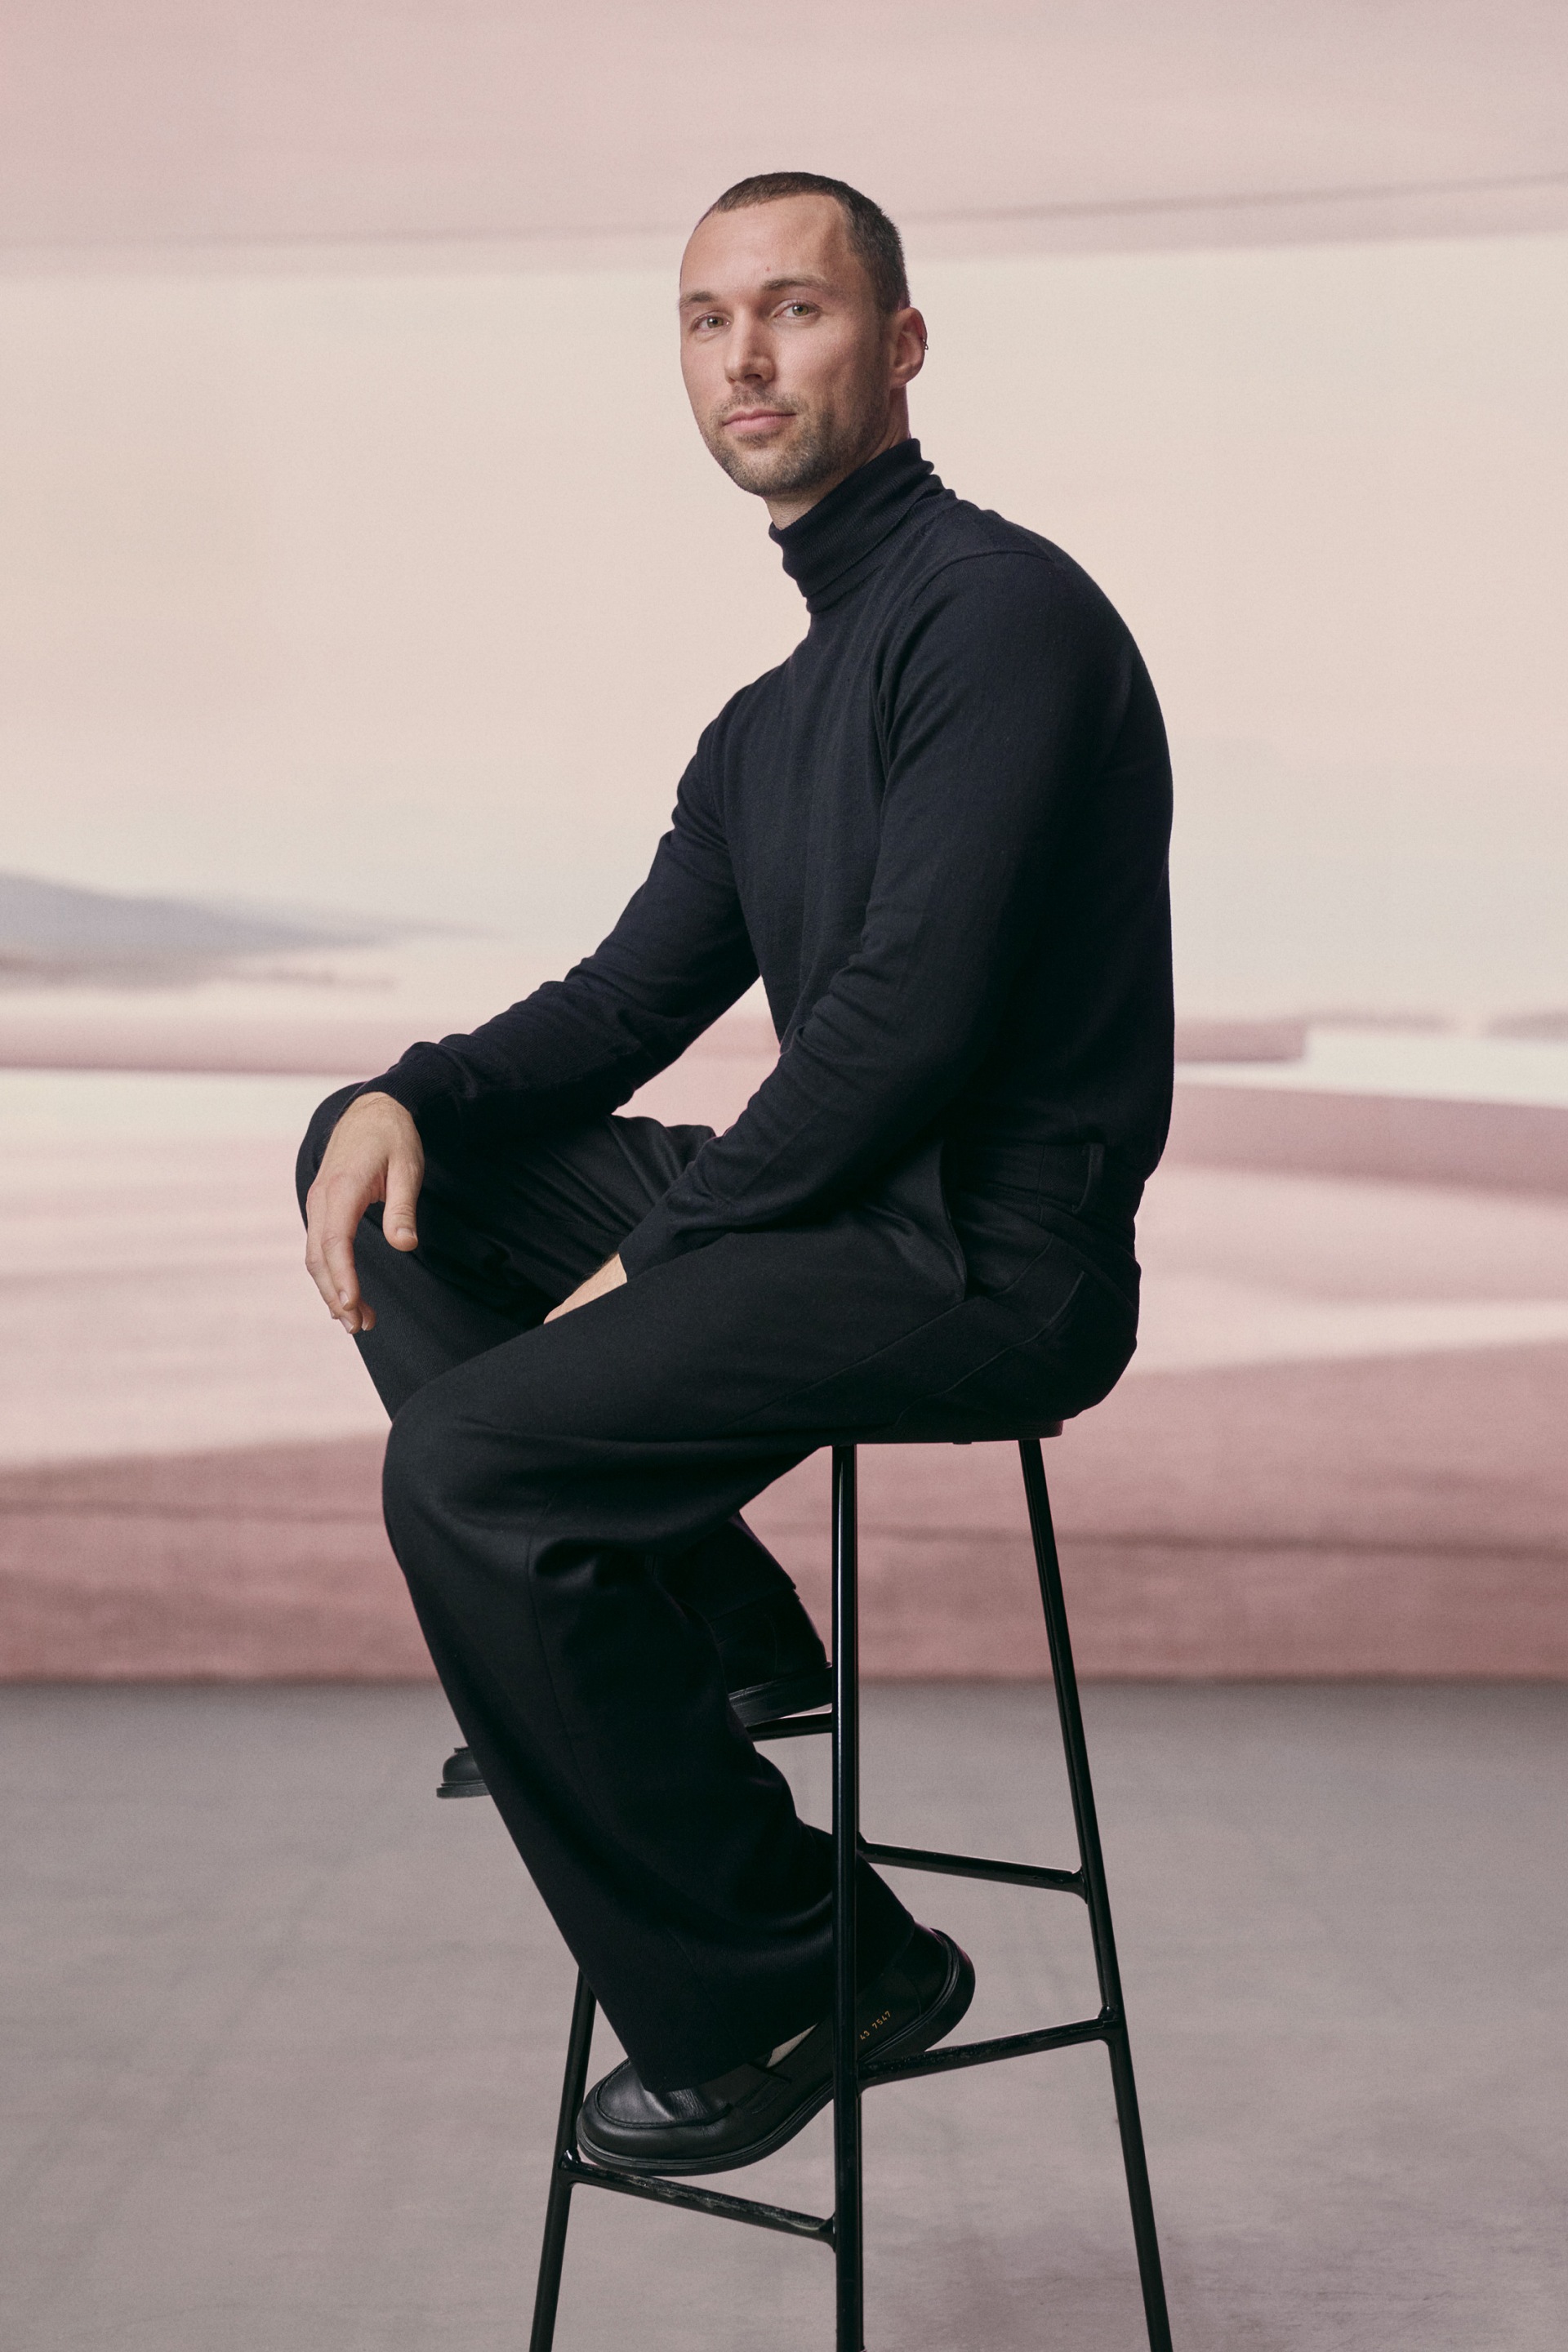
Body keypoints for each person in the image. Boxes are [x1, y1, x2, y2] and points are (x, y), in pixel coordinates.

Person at [298, 170, 1173, 2178]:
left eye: (795, 309)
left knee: (472, 1469)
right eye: (708, 321)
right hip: (840, 1210)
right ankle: (705, 1640)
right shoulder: (763, 724)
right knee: (393, 1170)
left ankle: (812, 1967)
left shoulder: (1004, 613)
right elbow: (617, 1010)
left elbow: (904, 1027)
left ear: (902, 345)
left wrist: (666, 1256)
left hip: (991, 1255)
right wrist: (402, 1088)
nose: (747, 355)